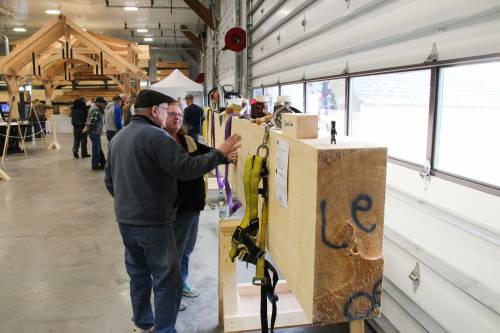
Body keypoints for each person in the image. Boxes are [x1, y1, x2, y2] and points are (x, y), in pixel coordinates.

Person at [104, 89, 241, 333]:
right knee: (167, 280)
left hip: (125, 221)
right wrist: (219, 154)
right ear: (155, 111)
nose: (170, 115)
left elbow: (109, 182)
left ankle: (143, 322)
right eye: (167, 111)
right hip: (155, 222)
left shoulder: (118, 138)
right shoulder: (157, 137)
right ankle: (165, 329)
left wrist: (129, 204)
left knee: (138, 273)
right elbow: (186, 169)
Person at [163, 104, 237, 310]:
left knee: (186, 250)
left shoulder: (187, 140)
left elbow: (208, 152)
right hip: (176, 207)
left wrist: (225, 157)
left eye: (179, 115)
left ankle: (182, 283)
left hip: (194, 205)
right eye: (171, 115)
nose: (176, 118)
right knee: (174, 254)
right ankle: (172, 293)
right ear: (161, 116)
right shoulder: (161, 142)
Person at [83, 97, 106, 170]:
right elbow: (92, 121)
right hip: (95, 132)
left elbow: (88, 119)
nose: (104, 105)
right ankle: (95, 165)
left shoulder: (93, 107)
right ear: (99, 103)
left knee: (98, 148)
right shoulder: (96, 109)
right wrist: (86, 128)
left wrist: (86, 127)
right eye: (103, 104)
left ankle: (103, 163)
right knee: (96, 149)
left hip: (94, 132)